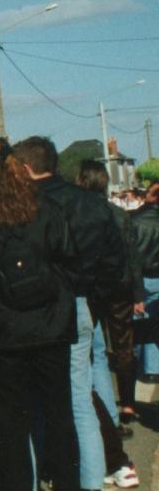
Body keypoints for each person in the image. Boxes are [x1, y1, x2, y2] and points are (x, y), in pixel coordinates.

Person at [0, 137, 83, 491]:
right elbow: (68, 261)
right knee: (59, 414)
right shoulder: (45, 209)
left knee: (13, 420)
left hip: (6, 330)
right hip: (51, 325)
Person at [11, 137, 123, 491]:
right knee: (78, 395)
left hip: (38, 309)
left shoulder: (24, 206)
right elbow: (113, 260)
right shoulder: (93, 204)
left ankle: (46, 474)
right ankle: (91, 483)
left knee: (39, 398)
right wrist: (92, 297)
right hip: (79, 303)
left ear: (26, 168)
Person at [76, 160, 145, 435]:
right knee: (123, 344)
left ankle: (99, 405)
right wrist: (138, 293)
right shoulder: (119, 215)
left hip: (93, 288)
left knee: (95, 348)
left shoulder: (80, 213)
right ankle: (127, 404)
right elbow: (132, 257)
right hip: (121, 288)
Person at [134, 183, 159, 380]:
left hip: (140, 277)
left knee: (141, 323)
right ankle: (153, 367)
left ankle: (146, 367)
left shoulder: (135, 219)